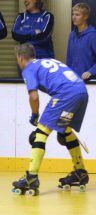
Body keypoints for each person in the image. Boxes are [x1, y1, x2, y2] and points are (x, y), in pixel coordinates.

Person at [12, 43, 89, 196]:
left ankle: (31, 177)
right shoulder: (46, 61)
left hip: (66, 95)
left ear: (20, 58)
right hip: (81, 92)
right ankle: (80, 171)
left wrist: (35, 115)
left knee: (40, 133)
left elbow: (33, 96)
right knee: (65, 131)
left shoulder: (29, 69)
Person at [67, 3, 96, 80]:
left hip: (89, 79)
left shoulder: (93, 35)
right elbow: (69, 58)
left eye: (77, 15)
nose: (74, 17)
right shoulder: (71, 35)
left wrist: (91, 71)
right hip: (74, 79)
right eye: (73, 14)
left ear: (85, 16)